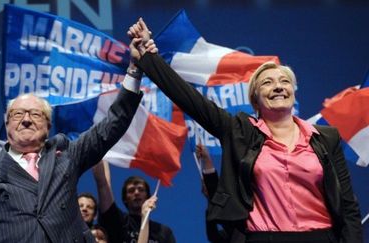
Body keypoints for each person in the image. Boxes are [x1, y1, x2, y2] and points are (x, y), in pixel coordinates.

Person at [128, 18, 363, 243]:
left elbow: (347, 205)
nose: (278, 86)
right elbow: (188, 98)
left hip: (321, 237)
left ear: (293, 91)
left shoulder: (325, 137)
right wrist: (148, 58)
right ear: (255, 98)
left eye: (284, 81)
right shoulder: (240, 131)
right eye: (267, 83)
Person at [0, 46, 157, 242]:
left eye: (34, 114)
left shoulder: (66, 154)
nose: (26, 119)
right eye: (17, 114)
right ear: (7, 124)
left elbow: (112, 124)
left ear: (47, 124)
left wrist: (134, 72)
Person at [93, 160, 175, 243]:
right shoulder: (117, 221)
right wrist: (101, 152)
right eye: (131, 190)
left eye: (141, 189)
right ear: (125, 199)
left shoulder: (164, 232)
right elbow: (103, 183)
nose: (136, 193)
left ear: (148, 197)